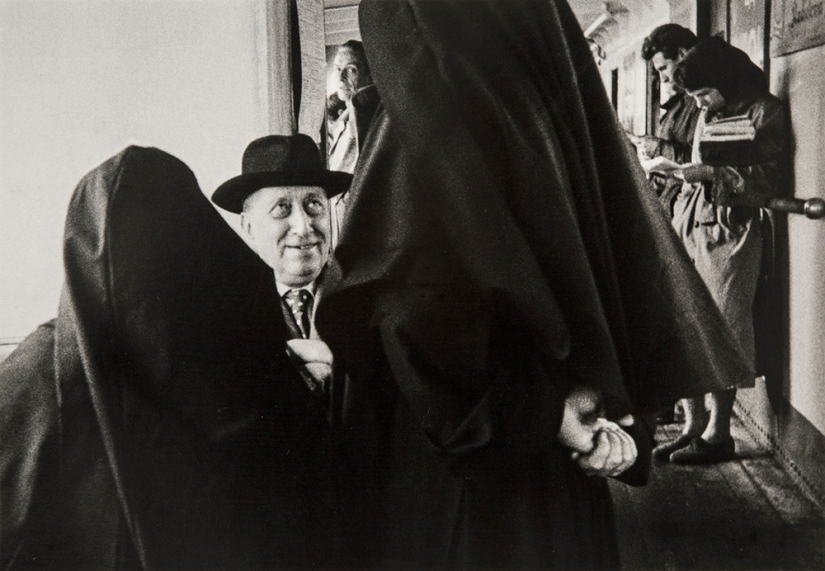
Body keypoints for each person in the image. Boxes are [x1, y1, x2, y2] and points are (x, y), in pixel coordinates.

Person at [316, 0, 753, 568]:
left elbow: (414, 321)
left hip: (470, 485)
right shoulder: (555, 117)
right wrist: (609, 417)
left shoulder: (425, 126)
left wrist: (549, 416)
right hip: (563, 478)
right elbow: (618, 271)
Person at [0, 139, 356, 568]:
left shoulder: (219, 343)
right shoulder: (204, 345)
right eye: (281, 209)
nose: (302, 227)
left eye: (315, 206)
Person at [653, 37, 789, 464]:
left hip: (732, 230)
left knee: (723, 325)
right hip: (692, 219)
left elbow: (769, 179)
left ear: (725, 80)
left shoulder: (765, 112)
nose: (700, 104)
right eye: (694, 97)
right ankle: (693, 424)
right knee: (685, 322)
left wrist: (710, 172)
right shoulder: (708, 110)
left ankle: (719, 432)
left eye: (703, 93)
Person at [638, 24, 701, 213]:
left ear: (682, 55)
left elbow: (696, 159)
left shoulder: (702, 102)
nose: (662, 79)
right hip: (670, 208)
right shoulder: (677, 105)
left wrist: (655, 147)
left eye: (663, 68)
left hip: (687, 209)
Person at [324, 40, 381, 247]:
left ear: (370, 75)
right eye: (338, 69)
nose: (340, 77)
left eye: (351, 70)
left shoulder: (375, 120)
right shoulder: (340, 122)